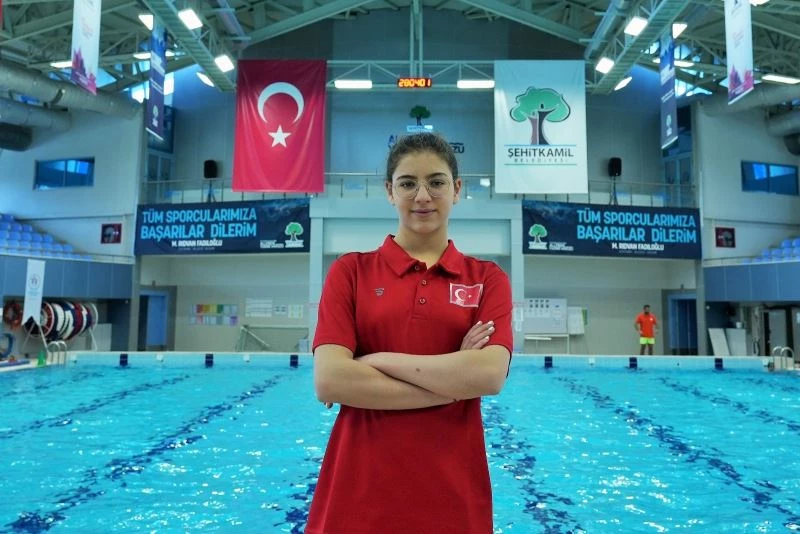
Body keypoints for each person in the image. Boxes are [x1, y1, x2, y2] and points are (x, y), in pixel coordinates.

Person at [307, 132, 513, 534]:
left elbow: (489, 376)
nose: (422, 196)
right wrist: (455, 381)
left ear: (457, 190)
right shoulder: (351, 272)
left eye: (436, 182)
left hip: (452, 495)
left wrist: (375, 361)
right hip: (358, 494)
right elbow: (331, 380)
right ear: (390, 191)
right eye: (407, 183)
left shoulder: (487, 279)